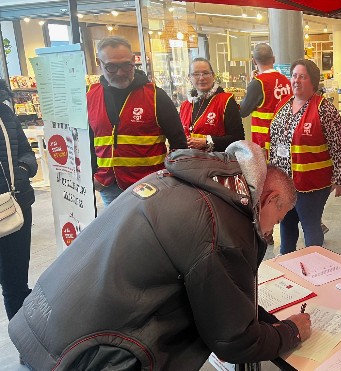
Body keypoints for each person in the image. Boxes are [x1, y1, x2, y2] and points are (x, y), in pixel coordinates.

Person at [9, 141, 312, 369]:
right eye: (280, 215)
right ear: (271, 198)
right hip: (85, 355)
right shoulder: (223, 225)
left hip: (43, 323)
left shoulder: (184, 182)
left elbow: (223, 294)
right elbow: (235, 342)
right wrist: (290, 332)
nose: (273, 229)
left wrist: (264, 321)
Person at [87, 36, 187, 206]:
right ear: (99, 63)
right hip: (109, 186)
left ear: (134, 61)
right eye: (111, 67)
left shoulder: (156, 96)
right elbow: (88, 142)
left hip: (151, 185)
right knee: (117, 232)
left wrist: (173, 178)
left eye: (126, 65)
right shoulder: (91, 96)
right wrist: (92, 176)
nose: (120, 72)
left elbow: (179, 143)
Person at [269, 59, 341, 255]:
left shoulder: (324, 109)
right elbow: (274, 142)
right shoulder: (283, 106)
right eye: (294, 76)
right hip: (284, 183)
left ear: (312, 81)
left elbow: (339, 146)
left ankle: (316, 265)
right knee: (286, 227)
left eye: (302, 76)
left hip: (312, 185)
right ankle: (287, 266)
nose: (296, 80)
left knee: (310, 226)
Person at [0, 80, 37, 324]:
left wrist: (23, 169)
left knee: (15, 282)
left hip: (15, 205)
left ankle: (24, 340)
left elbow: (26, 151)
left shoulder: (5, 112)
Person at [180, 57, 245, 152]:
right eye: (196, 74)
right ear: (189, 77)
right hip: (189, 162)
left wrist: (207, 142)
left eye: (206, 73)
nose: (201, 78)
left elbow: (238, 138)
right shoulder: (185, 105)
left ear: (213, 76)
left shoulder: (226, 101)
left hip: (218, 163)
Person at [239, 43, 291, 156]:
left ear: (254, 61)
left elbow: (243, 111)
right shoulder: (287, 81)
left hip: (265, 143)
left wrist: (251, 84)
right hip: (286, 139)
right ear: (273, 59)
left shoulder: (258, 83)